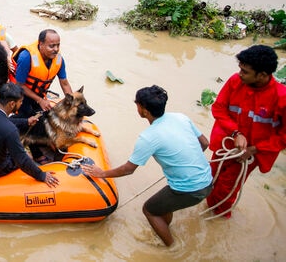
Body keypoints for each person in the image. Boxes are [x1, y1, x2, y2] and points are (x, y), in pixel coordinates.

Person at [82, 85, 212, 247]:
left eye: (137, 104)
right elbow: (204, 143)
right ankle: (165, 227)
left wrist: (101, 173)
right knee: (162, 205)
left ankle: (172, 247)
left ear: (144, 110)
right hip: (208, 181)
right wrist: (184, 162)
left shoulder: (148, 137)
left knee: (149, 210)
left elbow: (128, 169)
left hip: (190, 189)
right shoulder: (180, 117)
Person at [206, 45, 286, 218]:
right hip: (226, 145)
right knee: (209, 178)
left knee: (226, 190)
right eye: (240, 69)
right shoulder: (236, 81)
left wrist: (254, 149)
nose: (240, 74)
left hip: (249, 155)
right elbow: (219, 108)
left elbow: (283, 137)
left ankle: (219, 219)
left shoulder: (281, 97)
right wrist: (236, 133)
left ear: (262, 75)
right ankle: (208, 212)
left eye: (245, 71)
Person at [0, 82, 59, 187]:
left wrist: (26, 121)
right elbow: (21, 160)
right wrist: (42, 175)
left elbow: (5, 121)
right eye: (20, 101)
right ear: (12, 104)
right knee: (28, 157)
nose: (21, 104)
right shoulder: (10, 131)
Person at [12, 29, 74, 163]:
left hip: (40, 94)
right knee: (31, 122)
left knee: (47, 120)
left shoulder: (59, 60)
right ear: (40, 44)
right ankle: (36, 153)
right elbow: (19, 85)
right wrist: (40, 100)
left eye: (58, 45)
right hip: (21, 95)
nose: (56, 49)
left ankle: (49, 142)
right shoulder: (26, 57)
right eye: (52, 46)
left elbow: (64, 83)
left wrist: (72, 103)